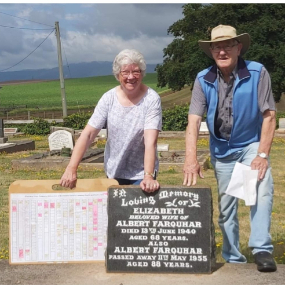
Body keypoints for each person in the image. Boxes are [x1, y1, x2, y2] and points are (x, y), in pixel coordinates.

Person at [183, 25, 277, 272]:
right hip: (222, 150)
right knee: (227, 207)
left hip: (250, 144)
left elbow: (269, 116)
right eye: (217, 46)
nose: (222, 51)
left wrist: (262, 155)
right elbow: (193, 120)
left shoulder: (257, 72)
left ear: (238, 47)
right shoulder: (203, 78)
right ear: (211, 50)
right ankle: (234, 258)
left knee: (261, 185)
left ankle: (261, 248)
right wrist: (191, 160)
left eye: (227, 45)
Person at [60, 49, 162, 193]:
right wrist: (71, 168)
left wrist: (149, 176)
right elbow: (89, 134)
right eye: (125, 72)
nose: (131, 77)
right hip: (113, 171)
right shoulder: (108, 99)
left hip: (141, 172)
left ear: (142, 73)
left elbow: (150, 141)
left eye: (136, 72)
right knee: (116, 213)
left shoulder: (151, 99)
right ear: (118, 75)